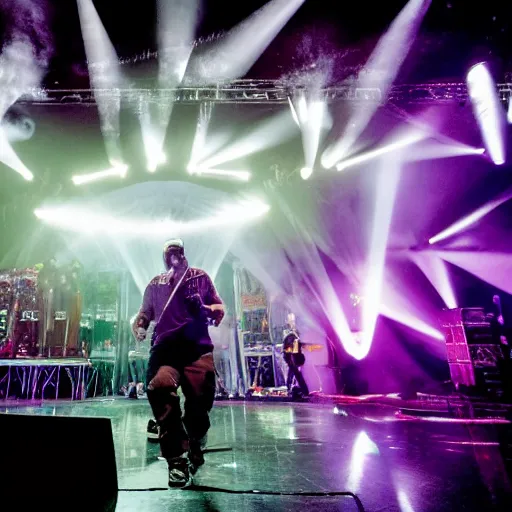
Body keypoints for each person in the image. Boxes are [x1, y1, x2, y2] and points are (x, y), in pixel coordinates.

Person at [133, 239, 224, 487]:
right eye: (169, 252)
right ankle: (176, 460)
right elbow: (145, 312)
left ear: (183, 254)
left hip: (197, 349)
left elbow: (218, 308)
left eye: (177, 251)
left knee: (199, 401)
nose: (173, 256)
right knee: (160, 387)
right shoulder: (155, 283)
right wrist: (140, 325)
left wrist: (203, 308)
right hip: (166, 350)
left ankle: (196, 438)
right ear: (164, 256)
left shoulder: (200, 278)